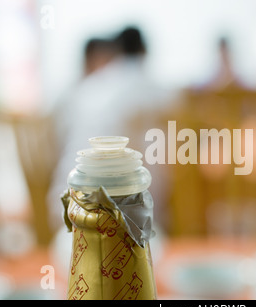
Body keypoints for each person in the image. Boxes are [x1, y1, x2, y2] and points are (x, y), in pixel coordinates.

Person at [47, 26, 174, 230]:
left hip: (64, 206)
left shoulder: (88, 88)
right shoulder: (159, 92)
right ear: (145, 52)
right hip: (132, 223)